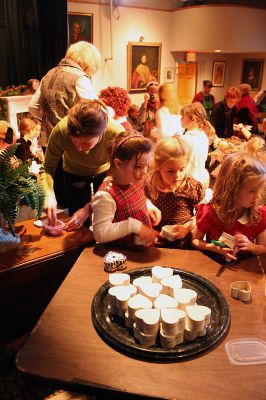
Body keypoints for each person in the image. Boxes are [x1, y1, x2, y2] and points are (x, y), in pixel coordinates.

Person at [40, 99, 124, 229]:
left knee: (106, 216)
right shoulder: (61, 131)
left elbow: (122, 174)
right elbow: (47, 168)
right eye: (74, 142)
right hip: (73, 173)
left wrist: (88, 208)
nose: (79, 149)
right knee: (76, 220)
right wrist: (48, 194)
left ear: (102, 133)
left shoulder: (116, 133)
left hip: (105, 174)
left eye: (86, 144)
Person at [192, 153, 266, 261]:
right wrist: (212, 247)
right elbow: (195, 240)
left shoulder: (259, 214)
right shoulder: (211, 212)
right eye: (252, 191)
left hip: (244, 266)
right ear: (232, 189)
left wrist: (252, 247)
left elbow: (263, 248)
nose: (257, 196)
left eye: (258, 190)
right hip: (214, 262)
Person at [92, 132, 161, 247]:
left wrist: (149, 206)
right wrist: (132, 226)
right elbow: (100, 234)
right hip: (122, 253)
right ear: (118, 163)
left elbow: (140, 197)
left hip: (141, 248)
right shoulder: (105, 195)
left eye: (147, 165)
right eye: (139, 166)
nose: (144, 172)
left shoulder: (134, 179)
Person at [29, 41, 100, 148]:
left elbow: (32, 106)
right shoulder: (80, 78)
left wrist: (48, 120)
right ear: (87, 64)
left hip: (48, 142)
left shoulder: (48, 74)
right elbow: (96, 112)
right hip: (71, 143)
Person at [145, 137, 204, 249]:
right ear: (158, 165)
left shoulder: (190, 186)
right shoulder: (149, 183)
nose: (177, 176)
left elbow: (203, 214)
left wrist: (186, 228)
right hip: (157, 240)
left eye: (182, 169)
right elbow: (142, 201)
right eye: (171, 171)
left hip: (183, 241)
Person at [181, 102, 210, 187]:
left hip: (188, 184)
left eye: (183, 117)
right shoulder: (204, 136)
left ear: (193, 119)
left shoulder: (185, 139)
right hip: (200, 181)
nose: (181, 119)